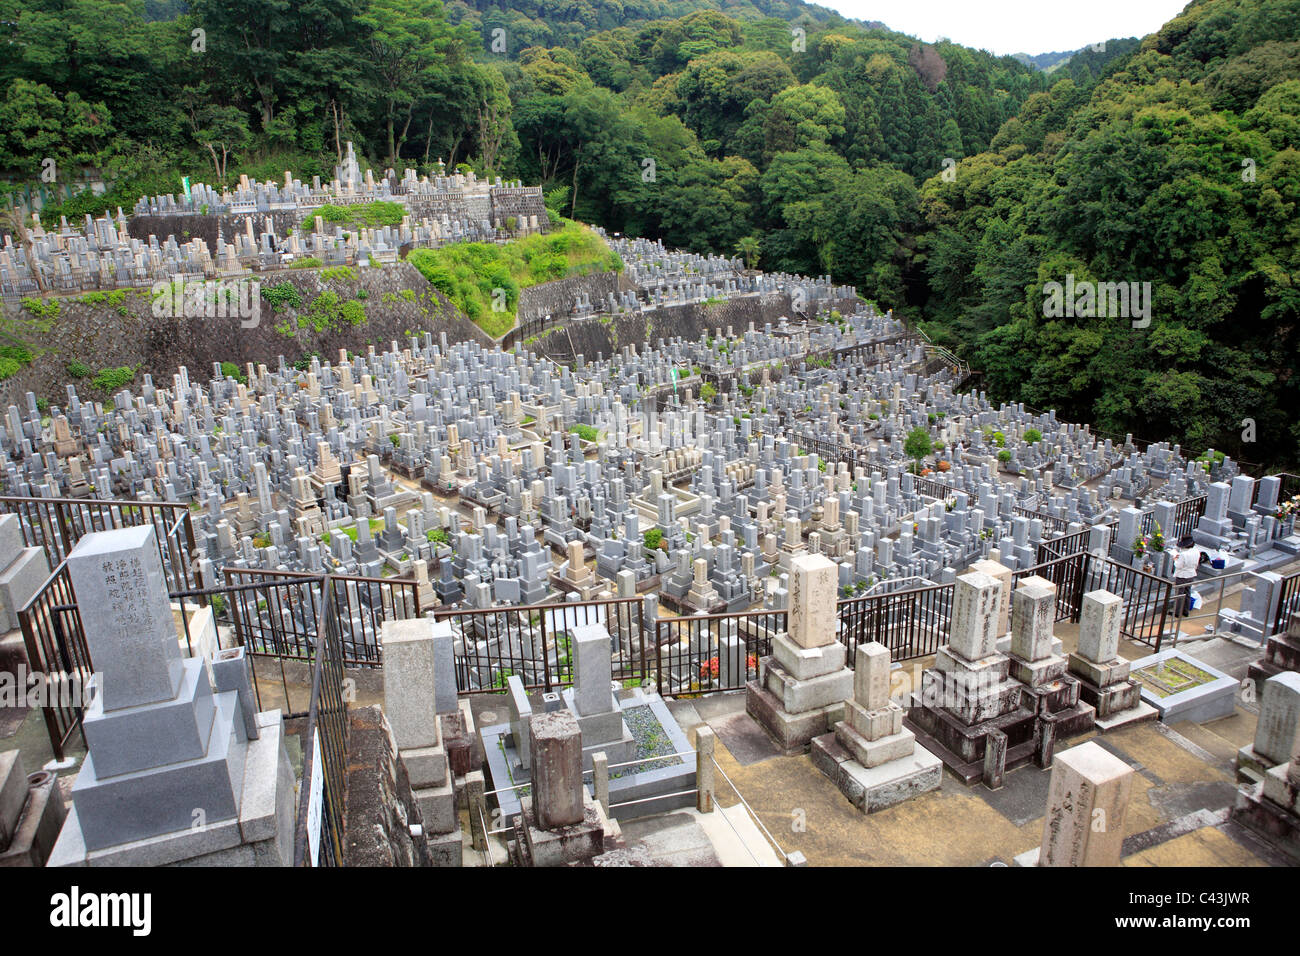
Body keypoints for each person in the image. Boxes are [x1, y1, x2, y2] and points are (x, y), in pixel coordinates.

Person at [1172, 534, 1202, 618]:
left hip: (1182, 575)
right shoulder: (1196, 551)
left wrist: (1175, 559)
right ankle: (1186, 611)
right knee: (1187, 592)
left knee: (1179, 593)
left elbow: (1178, 565)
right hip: (1191, 573)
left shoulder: (1184, 554)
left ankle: (1177, 612)